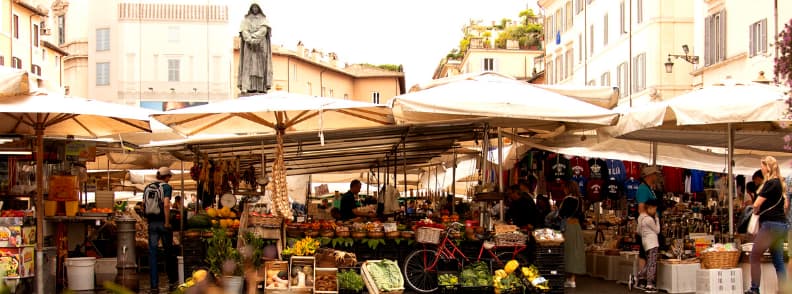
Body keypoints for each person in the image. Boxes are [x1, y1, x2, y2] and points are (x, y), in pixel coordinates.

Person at [745, 156, 789, 294]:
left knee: (754, 256)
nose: (761, 169)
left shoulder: (770, 183)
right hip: (781, 225)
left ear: (768, 167)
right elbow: (785, 207)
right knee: (778, 260)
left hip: (770, 226)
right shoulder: (780, 184)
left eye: (763, 166)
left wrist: (756, 210)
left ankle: (754, 289)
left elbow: (756, 204)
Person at [145, 167, 178, 292]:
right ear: (167, 177)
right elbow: (166, 204)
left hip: (151, 223)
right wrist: (167, 222)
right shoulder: (166, 187)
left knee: (152, 254)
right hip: (162, 223)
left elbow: (144, 204)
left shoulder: (148, 187)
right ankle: (172, 282)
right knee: (168, 252)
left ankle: (154, 286)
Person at [634, 166, 660, 289]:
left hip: (650, 226)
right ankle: (642, 280)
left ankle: (641, 278)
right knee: (645, 254)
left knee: (647, 254)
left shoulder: (649, 188)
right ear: (650, 175)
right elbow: (641, 208)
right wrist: (648, 222)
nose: (657, 176)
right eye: (655, 174)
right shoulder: (643, 189)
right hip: (648, 228)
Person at [238, 3, 273, 94]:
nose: (255, 9)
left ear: (259, 8)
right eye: (253, 7)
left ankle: (260, 87)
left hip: (260, 46)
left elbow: (263, 30)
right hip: (249, 46)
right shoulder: (246, 20)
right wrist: (249, 39)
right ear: (251, 8)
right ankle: (248, 86)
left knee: (260, 68)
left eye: (256, 7)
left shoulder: (264, 20)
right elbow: (244, 31)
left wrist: (252, 36)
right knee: (248, 67)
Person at [559, 181, 586, 288]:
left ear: (568, 188)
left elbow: (561, 214)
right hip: (576, 227)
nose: (563, 190)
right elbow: (582, 217)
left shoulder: (568, 199)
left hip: (568, 227)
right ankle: (572, 279)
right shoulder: (579, 200)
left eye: (564, 187)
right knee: (575, 252)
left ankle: (568, 278)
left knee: (567, 251)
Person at [633, 199, 661, 293]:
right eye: (654, 209)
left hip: (645, 243)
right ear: (650, 208)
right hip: (652, 243)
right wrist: (657, 219)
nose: (655, 212)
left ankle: (636, 277)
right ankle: (649, 285)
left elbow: (639, 232)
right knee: (652, 264)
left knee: (649, 263)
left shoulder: (641, 218)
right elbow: (657, 231)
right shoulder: (649, 219)